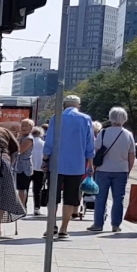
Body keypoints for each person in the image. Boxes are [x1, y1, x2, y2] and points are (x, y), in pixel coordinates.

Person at [41, 95, 96, 240]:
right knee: (70, 197)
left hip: (56, 164)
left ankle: (51, 226)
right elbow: (89, 143)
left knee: (53, 196)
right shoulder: (85, 119)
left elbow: (50, 140)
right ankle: (64, 228)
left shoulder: (56, 118)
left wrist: (45, 159)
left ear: (64, 105)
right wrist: (90, 164)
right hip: (77, 165)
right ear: (78, 105)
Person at [88, 106, 136, 233]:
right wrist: (128, 170)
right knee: (118, 199)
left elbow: (96, 152)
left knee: (100, 198)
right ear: (124, 119)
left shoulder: (103, 133)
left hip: (102, 170)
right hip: (121, 170)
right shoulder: (128, 134)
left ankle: (98, 224)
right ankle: (115, 224)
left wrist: (92, 167)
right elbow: (131, 156)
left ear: (110, 118)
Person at [14, 118, 36, 215]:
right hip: (18, 165)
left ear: (31, 128)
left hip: (24, 167)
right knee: (19, 188)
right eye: (22, 125)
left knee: (22, 189)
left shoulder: (28, 139)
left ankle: (22, 207)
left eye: (26, 126)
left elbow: (20, 150)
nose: (23, 128)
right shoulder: (21, 137)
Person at [30, 126, 46, 215]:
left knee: (25, 188)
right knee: (37, 189)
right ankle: (37, 208)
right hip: (40, 169)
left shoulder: (30, 142)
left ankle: (23, 206)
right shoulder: (43, 144)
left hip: (29, 167)